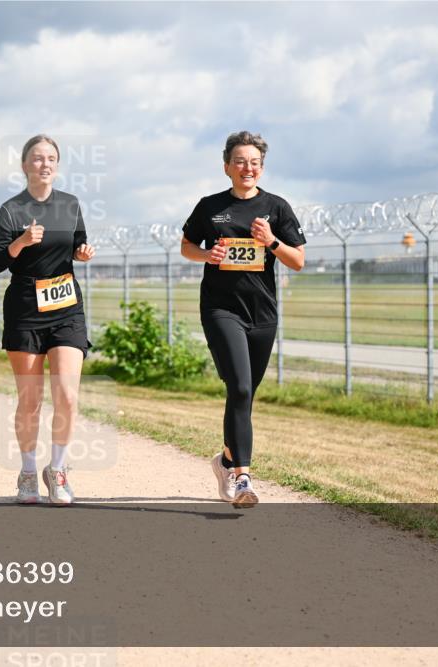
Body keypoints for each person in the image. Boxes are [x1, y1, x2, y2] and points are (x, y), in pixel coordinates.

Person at [180, 131, 306, 508]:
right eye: (239, 161)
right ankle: (243, 480)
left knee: (245, 394)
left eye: (254, 162)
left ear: (261, 168)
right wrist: (207, 256)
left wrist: (271, 241)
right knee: (238, 387)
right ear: (227, 167)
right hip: (221, 309)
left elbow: (298, 261)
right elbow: (187, 246)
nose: (247, 168)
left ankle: (226, 460)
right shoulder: (210, 207)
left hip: (262, 314)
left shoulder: (276, 208)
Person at [0, 134, 96, 505]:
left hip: (66, 306)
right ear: (24, 165)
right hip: (25, 309)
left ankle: (58, 470)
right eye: (37, 158)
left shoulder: (70, 204)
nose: (44, 164)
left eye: (50, 158)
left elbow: (77, 245)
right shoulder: (12, 210)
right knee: (30, 399)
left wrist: (82, 253)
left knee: (67, 395)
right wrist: (20, 242)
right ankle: (29, 472)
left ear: (57, 166)